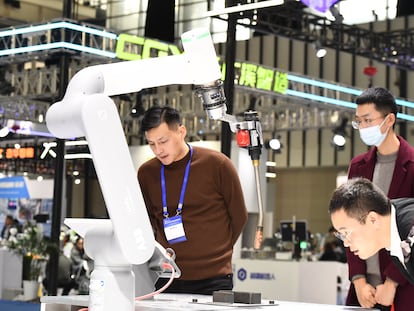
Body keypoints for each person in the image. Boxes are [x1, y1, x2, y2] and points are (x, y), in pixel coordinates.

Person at [137, 105, 248, 295]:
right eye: (152, 143)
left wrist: (217, 253)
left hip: (214, 278)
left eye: (163, 141)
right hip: (167, 276)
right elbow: (147, 221)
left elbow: (239, 216)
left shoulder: (217, 164)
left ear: (181, 131)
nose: (158, 150)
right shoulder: (147, 173)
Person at [346, 86, 414, 310]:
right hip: (363, 289)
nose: (363, 127)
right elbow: (349, 225)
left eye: (368, 120)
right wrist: (358, 279)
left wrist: (393, 281)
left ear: (389, 119)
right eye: (359, 122)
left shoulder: (412, 165)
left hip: (403, 285)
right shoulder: (358, 166)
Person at [328, 177, 414, 286]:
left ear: (372, 220)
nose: (346, 243)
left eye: (346, 233)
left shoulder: (410, 233)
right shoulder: (392, 224)